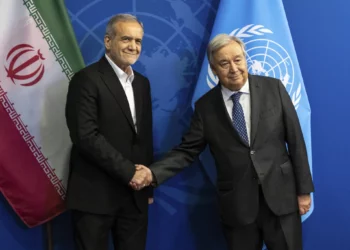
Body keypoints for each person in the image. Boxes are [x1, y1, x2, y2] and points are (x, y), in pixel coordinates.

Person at [131, 34, 314, 250]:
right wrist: (153, 174)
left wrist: (304, 191)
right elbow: (187, 151)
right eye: (224, 63)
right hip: (237, 207)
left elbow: (296, 140)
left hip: (281, 200)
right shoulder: (205, 107)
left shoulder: (274, 88)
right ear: (214, 69)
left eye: (238, 60)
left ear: (245, 60)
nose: (234, 68)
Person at [65, 13, 154, 250]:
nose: (133, 46)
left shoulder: (142, 83)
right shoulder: (85, 80)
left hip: (134, 197)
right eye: (126, 39)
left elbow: (143, 137)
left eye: (138, 41)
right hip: (95, 196)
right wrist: (128, 172)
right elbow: (86, 136)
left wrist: (148, 183)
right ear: (108, 41)